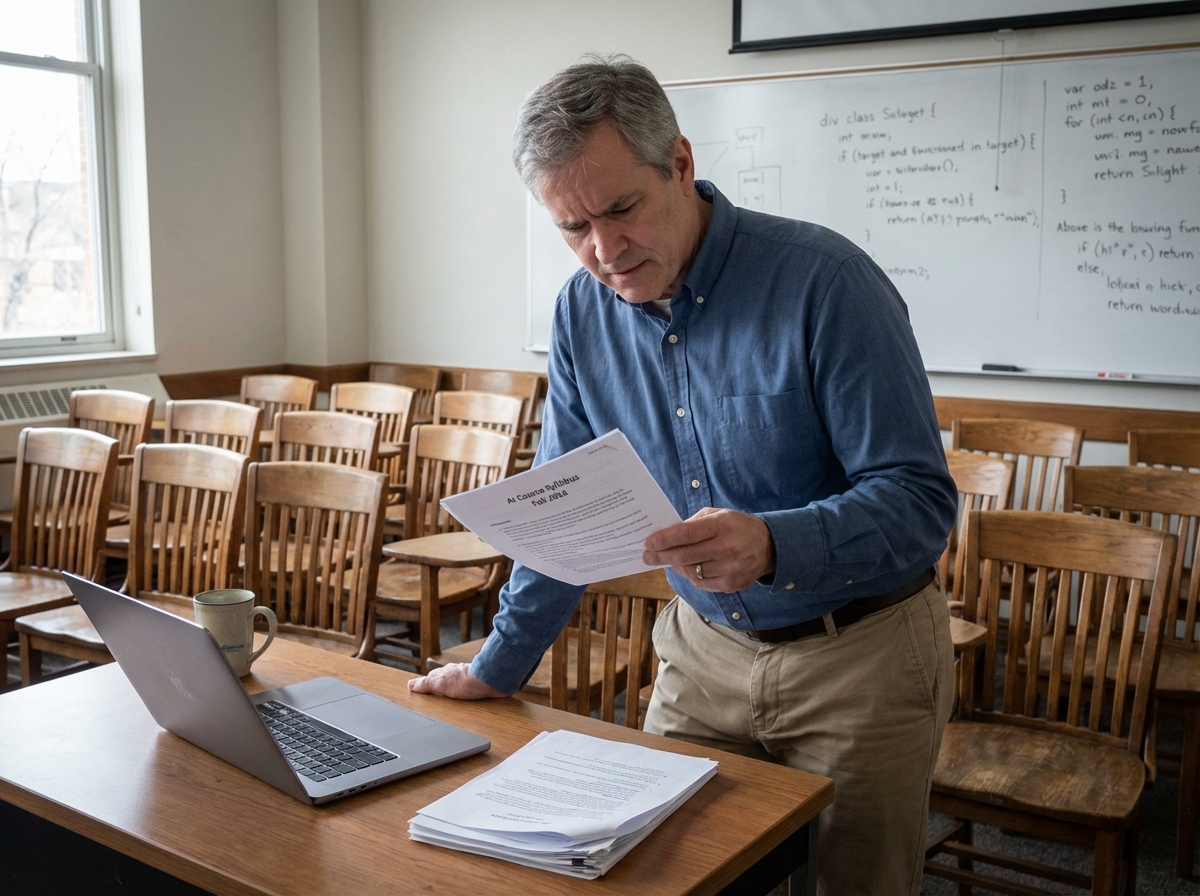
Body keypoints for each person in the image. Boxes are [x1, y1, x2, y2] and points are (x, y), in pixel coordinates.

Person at [410, 54, 958, 895]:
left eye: (622, 209)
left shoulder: (826, 282)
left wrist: (776, 543)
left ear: (681, 164)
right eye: (571, 227)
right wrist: (498, 665)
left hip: (860, 661)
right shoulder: (580, 312)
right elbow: (564, 503)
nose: (604, 250)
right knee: (654, 877)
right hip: (702, 654)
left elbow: (920, 504)